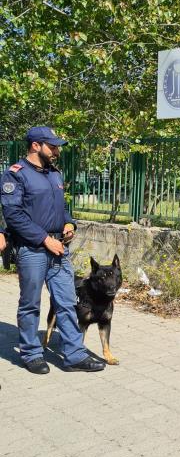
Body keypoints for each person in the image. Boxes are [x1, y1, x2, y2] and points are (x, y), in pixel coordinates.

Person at [0, 127, 105, 374]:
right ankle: (31, 353)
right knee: (30, 304)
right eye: (52, 146)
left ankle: (74, 355)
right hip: (33, 250)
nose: (57, 151)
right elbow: (13, 215)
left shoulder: (54, 174)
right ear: (36, 145)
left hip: (59, 248)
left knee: (67, 302)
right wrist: (45, 240)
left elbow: (60, 209)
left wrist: (69, 223)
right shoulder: (15, 175)